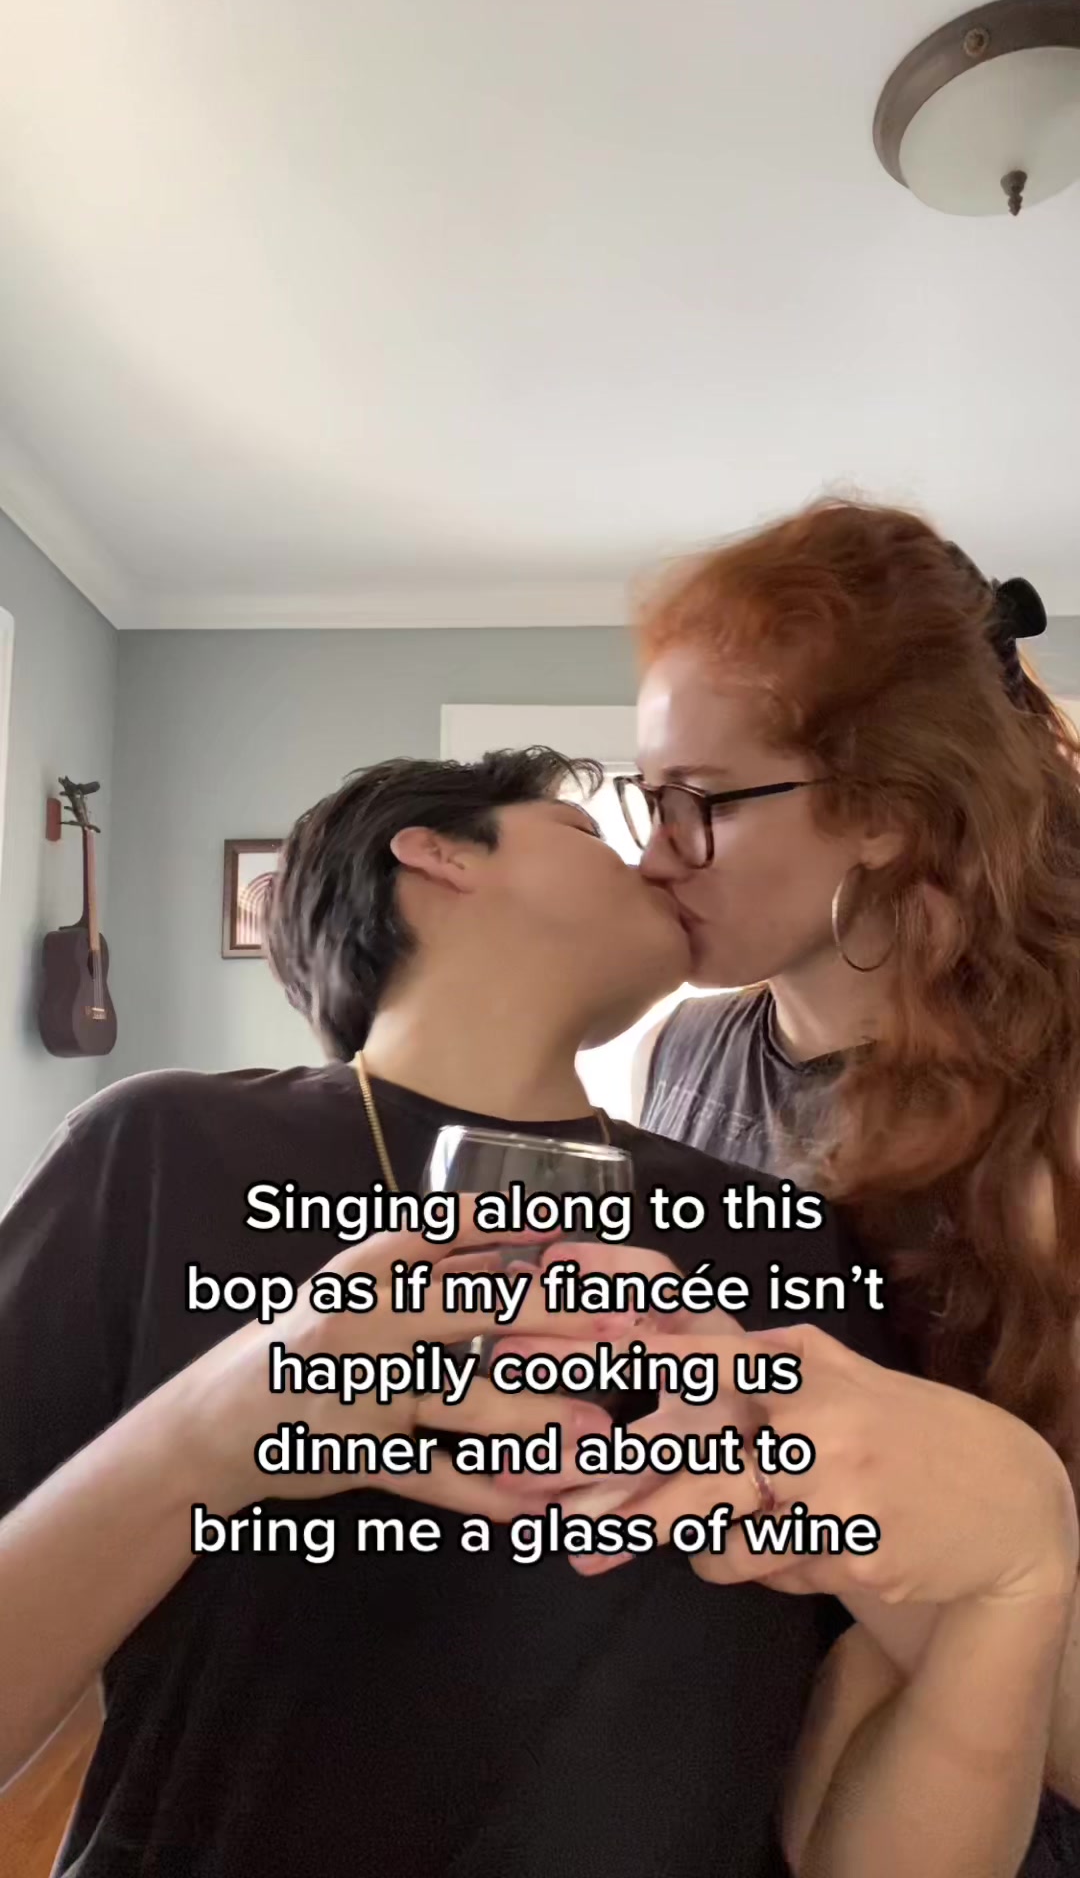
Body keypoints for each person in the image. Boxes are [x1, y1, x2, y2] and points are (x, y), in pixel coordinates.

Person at [0, 748, 1073, 1878]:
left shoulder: (784, 1235)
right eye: (591, 832)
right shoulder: (160, 1151)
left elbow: (862, 1813)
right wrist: (213, 1433)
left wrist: (1012, 1572)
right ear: (437, 855)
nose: (660, 860)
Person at [614, 496, 1080, 1858]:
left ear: (882, 813)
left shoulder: (1056, 1106)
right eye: (649, 798)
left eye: (703, 803)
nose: (655, 854)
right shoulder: (686, 1049)